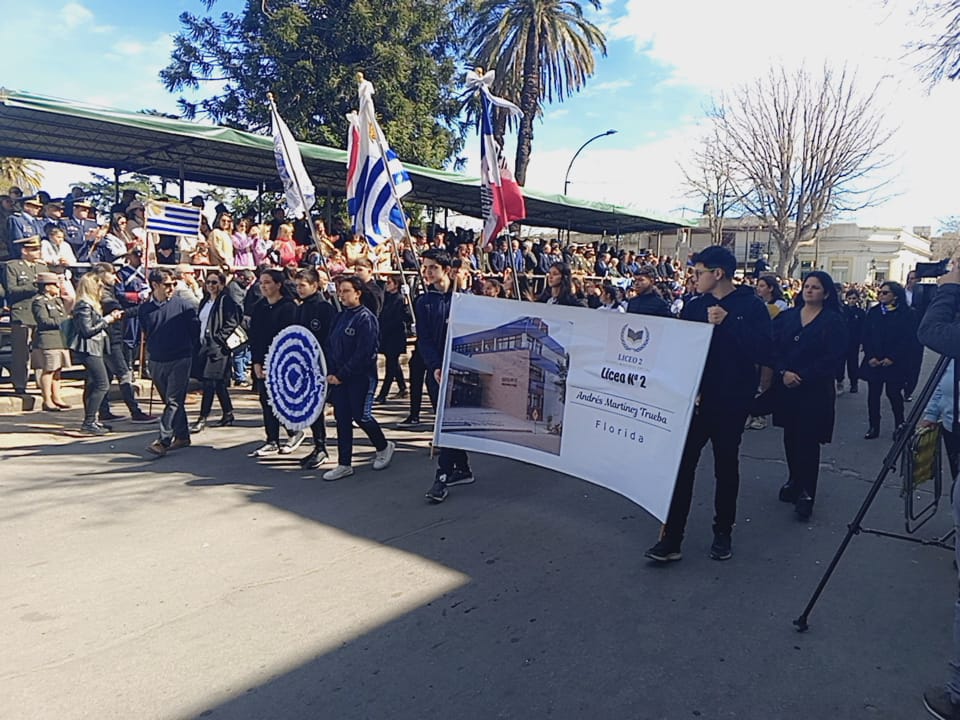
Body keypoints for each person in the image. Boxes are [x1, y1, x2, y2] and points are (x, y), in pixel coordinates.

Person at [644, 245, 772, 563]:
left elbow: (765, 351)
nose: (694, 278)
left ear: (718, 273)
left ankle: (722, 532)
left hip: (731, 401)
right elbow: (680, 351)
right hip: (694, 401)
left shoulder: (751, 305)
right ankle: (672, 537)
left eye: (699, 272)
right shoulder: (694, 305)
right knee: (682, 467)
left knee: (725, 467)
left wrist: (730, 322)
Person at [916, 265, 960, 720]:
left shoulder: (951, 303)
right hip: (952, 423)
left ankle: (957, 692)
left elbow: (932, 332)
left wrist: (949, 289)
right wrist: (933, 410)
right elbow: (948, 376)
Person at [768, 271, 847, 520]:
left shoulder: (833, 321)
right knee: (790, 436)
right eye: (807, 286)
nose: (809, 290)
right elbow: (774, 348)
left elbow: (833, 357)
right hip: (787, 386)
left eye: (815, 287)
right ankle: (794, 479)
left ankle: (807, 492)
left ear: (826, 293)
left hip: (814, 389)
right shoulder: (787, 317)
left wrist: (802, 375)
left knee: (808, 440)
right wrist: (783, 372)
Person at [322, 275, 395, 481]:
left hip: (361, 377)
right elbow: (330, 346)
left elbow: (365, 353)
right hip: (339, 378)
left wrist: (343, 373)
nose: (342, 295)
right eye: (340, 291)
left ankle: (383, 446)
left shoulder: (366, 318)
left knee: (361, 415)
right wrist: (332, 371)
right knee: (342, 418)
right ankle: (344, 463)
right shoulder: (339, 317)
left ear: (358, 293)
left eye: (346, 291)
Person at [419, 249, 475, 503]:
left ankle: (441, 477)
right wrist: (435, 366)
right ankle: (462, 469)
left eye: (433, 267)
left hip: (461, 370)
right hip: (437, 372)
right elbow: (425, 340)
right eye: (426, 267)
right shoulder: (424, 302)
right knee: (445, 422)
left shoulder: (464, 300)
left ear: (447, 270)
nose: (428, 272)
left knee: (448, 425)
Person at [139, 268, 200, 457]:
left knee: (173, 400)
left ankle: (163, 440)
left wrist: (190, 351)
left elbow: (194, 330)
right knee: (171, 401)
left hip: (180, 358)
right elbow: (146, 332)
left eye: (174, 284)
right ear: (155, 285)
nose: (172, 288)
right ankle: (182, 436)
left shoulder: (184, 305)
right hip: (157, 359)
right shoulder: (145, 309)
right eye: (167, 285)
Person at [248, 268, 305, 457]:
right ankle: (271, 440)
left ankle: (294, 431)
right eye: (261, 283)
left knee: (282, 400)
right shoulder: (259, 306)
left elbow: (290, 337)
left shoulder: (289, 307)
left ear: (278, 284)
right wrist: (256, 362)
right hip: (263, 359)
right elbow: (255, 337)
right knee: (266, 399)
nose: (263, 286)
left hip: (283, 361)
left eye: (268, 282)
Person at [92, 263, 156, 424]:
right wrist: (144, 307)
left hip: (111, 338)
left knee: (106, 377)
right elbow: (115, 309)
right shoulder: (101, 292)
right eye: (112, 273)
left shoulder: (109, 290)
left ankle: (103, 411)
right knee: (123, 374)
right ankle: (135, 411)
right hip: (110, 340)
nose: (115, 277)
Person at [71, 272, 125, 435]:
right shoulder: (83, 305)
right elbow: (87, 330)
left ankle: (92, 420)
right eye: (99, 287)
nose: (101, 290)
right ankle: (88, 422)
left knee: (93, 383)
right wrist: (107, 320)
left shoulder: (90, 304)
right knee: (102, 384)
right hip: (89, 348)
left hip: (96, 347)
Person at [293, 267, 336, 469]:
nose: (299, 289)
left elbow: (330, 338)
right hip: (306, 366)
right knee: (312, 408)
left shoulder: (324, 308)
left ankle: (323, 447)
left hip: (323, 365)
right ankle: (319, 446)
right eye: (297, 286)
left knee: (322, 408)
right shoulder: (300, 308)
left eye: (303, 285)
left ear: (315, 285)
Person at [190, 270, 242, 432]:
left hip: (218, 348)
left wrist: (218, 339)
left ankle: (202, 417)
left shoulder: (226, 301)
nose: (211, 286)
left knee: (209, 383)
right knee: (218, 383)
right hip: (203, 346)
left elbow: (232, 321)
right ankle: (228, 413)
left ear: (222, 284)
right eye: (208, 282)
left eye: (214, 282)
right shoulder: (205, 301)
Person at [860, 281, 912, 439]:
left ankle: (899, 425)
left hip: (895, 362)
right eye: (880, 292)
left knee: (894, 394)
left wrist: (892, 357)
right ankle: (873, 426)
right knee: (873, 396)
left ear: (895, 296)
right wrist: (870, 356)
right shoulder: (874, 312)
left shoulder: (906, 314)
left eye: (885, 293)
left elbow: (907, 339)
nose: (880, 295)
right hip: (875, 360)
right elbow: (866, 335)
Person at [0, 235, 50, 394]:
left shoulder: (42, 267)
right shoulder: (13, 266)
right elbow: (11, 290)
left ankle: (42, 384)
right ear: (24, 251)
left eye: (38, 249)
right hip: (22, 313)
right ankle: (20, 384)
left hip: (40, 314)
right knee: (21, 353)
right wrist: (34, 285)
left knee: (41, 351)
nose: (38, 252)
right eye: (34, 249)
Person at [30, 272, 72, 412]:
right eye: (55, 285)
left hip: (60, 339)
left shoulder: (57, 301)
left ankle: (57, 397)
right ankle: (47, 400)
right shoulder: (39, 302)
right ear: (47, 287)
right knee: (49, 370)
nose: (58, 287)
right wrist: (64, 321)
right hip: (48, 339)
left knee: (58, 370)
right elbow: (44, 320)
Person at [376, 274, 411, 402]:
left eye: (390, 282)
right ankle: (402, 387)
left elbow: (405, 316)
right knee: (393, 363)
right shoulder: (387, 297)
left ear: (396, 285)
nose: (387, 285)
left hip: (395, 336)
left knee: (390, 366)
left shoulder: (400, 299)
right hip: (386, 335)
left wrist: (407, 301)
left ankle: (383, 394)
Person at [837, 289, 866, 394]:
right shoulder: (841, 311)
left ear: (857, 299)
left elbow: (863, 328)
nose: (852, 301)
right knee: (840, 363)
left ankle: (854, 383)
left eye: (854, 298)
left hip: (854, 341)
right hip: (841, 341)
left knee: (853, 363)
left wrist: (862, 342)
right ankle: (839, 381)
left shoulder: (861, 312)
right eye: (850, 298)